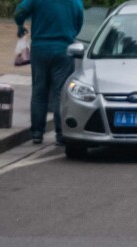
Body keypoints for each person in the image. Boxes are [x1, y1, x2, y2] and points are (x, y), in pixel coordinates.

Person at [12, 0, 86, 145]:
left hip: (40, 48)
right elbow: (79, 21)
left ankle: (37, 133)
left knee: (39, 92)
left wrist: (20, 25)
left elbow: (19, 13)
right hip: (64, 48)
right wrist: (69, 33)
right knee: (60, 93)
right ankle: (60, 134)